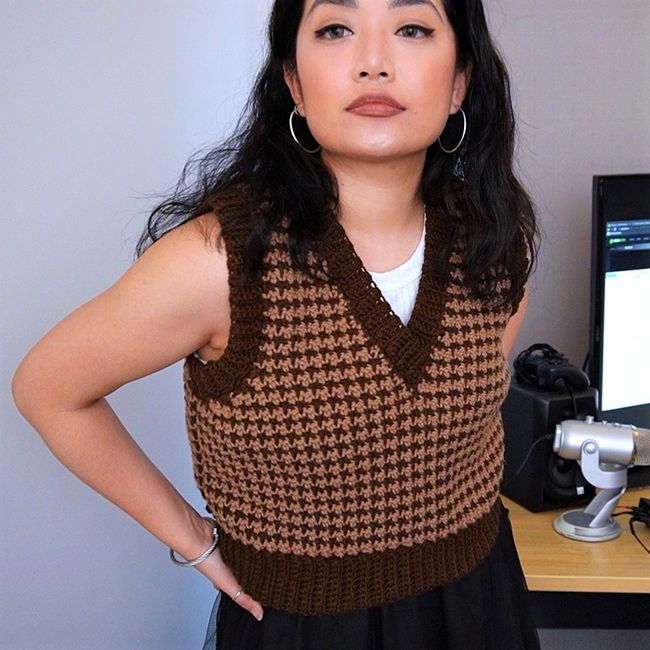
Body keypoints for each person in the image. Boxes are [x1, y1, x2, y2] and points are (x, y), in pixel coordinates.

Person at [12, 0, 541, 647]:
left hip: (480, 604)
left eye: (412, 29)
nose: (374, 62)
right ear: (293, 79)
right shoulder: (219, 262)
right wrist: (194, 540)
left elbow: (466, 420)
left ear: (460, 79)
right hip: (303, 628)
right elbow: (49, 389)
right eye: (336, 30)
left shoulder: (499, 239)